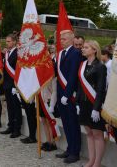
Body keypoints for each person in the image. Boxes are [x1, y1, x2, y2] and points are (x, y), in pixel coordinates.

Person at [76, 40, 107, 167]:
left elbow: (101, 89)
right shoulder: (83, 64)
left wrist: (96, 108)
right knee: (88, 133)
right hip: (83, 103)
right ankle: (91, 160)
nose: (83, 49)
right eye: (83, 47)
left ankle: (97, 163)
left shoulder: (100, 66)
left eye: (86, 47)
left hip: (94, 104)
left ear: (94, 50)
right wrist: (77, 103)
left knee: (97, 134)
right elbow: (79, 86)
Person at [55, 30, 81, 164]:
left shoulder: (76, 53)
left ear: (71, 39)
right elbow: (56, 72)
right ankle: (69, 148)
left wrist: (67, 94)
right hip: (61, 93)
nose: (61, 41)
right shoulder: (60, 54)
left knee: (73, 124)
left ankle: (75, 152)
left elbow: (72, 76)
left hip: (69, 95)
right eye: (60, 39)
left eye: (64, 39)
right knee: (65, 123)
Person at [0, 34, 22, 138]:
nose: (7, 43)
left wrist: (16, 85)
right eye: (6, 41)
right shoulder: (7, 53)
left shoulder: (17, 53)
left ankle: (17, 129)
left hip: (14, 84)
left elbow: (18, 70)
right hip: (7, 84)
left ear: (14, 42)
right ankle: (10, 126)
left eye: (9, 41)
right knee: (9, 106)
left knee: (16, 107)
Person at [39, 43, 58, 151]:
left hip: (49, 100)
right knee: (43, 120)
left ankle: (53, 142)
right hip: (41, 98)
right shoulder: (39, 68)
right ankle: (48, 140)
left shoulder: (52, 68)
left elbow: (54, 90)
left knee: (50, 120)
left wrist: (52, 104)